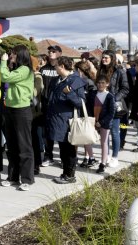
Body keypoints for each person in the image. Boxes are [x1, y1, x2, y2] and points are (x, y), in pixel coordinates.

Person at [0, 45, 35, 191]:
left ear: (20, 55)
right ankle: (12, 177)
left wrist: (3, 62)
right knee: (12, 145)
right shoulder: (16, 69)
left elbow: (4, 76)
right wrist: (8, 65)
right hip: (11, 109)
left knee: (24, 145)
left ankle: (27, 179)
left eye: (13, 54)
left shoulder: (25, 70)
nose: (10, 56)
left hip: (22, 110)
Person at [47, 56, 86, 184]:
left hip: (68, 121)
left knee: (69, 149)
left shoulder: (75, 81)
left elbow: (81, 103)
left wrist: (69, 94)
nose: (55, 68)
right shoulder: (57, 80)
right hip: (57, 120)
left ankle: (70, 175)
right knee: (63, 149)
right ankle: (65, 173)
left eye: (56, 65)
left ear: (62, 66)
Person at [97, 50, 129, 168]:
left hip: (115, 105)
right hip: (101, 104)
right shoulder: (100, 70)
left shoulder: (119, 71)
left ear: (112, 58)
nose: (104, 59)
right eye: (103, 57)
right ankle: (108, 154)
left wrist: (114, 99)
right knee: (105, 132)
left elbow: (125, 89)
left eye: (106, 58)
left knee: (115, 132)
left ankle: (115, 157)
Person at [40, 45, 62, 167]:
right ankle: (48, 156)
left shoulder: (62, 69)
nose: (50, 53)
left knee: (61, 132)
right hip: (45, 105)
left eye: (53, 51)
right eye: (49, 51)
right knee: (46, 133)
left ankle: (64, 158)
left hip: (59, 106)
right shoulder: (43, 69)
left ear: (59, 53)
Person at [74, 60, 98, 168]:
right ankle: (87, 157)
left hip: (85, 111)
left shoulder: (85, 81)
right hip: (88, 111)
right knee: (85, 135)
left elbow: (91, 98)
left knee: (84, 135)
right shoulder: (90, 81)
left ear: (79, 70)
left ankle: (89, 158)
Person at [91, 75, 116, 174]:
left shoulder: (109, 96)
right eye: (99, 83)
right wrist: (93, 120)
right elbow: (89, 107)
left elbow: (111, 113)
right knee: (87, 140)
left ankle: (103, 163)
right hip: (93, 120)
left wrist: (101, 122)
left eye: (103, 83)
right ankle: (90, 158)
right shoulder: (93, 94)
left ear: (107, 84)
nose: (100, 85)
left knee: (104, 143)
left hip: (104, 123)